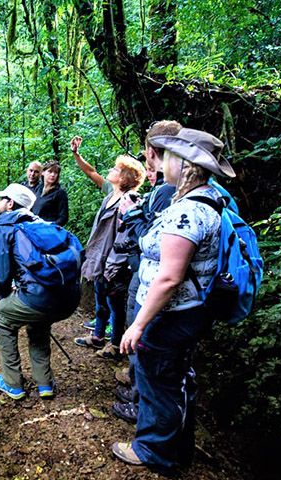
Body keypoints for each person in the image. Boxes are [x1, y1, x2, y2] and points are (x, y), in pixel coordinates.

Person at [111, 128, 236, 475]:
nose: (161, 162)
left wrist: (138, 324)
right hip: (186, 313)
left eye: (168, 157)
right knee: (175, 379)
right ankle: (178, 448)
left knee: (158, 382)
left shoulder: (189, 212)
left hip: (172, 315)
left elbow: (169, 277)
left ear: (185, 164)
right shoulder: (202, 200)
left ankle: (153, 452)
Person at [112, 120, 182, 424]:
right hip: (152, 281)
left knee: (150, 352)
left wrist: (132, 216)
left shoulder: (171, 192)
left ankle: (148, 424)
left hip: (159, 287)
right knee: (148, 353)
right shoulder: (173, 190)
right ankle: (139, 396)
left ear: (152, 152)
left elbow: (151, 242)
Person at [0, 183, 79, 400]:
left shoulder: (4, 226)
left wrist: (5, 296)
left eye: (2, 199)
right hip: (68, 297)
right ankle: (44, 383)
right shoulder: (40, 223)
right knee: (38, 324)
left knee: (0, 315)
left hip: (39, 298)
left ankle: (13, 384)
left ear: (10, 204)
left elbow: (1, 277)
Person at [70, 136, 146, 359]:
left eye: (115, 168)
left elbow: (126, 237)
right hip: (100, 259)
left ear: (124, 178)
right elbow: (90, 172)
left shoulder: (130, 200)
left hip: (115, 263)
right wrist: (76, 154)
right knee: (100, 299)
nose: (110, 170)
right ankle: (98, 336)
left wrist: (114, 265)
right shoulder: (111, 194)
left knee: (114, 303)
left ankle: (115, 345)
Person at [31, 161, 69, 225]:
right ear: (43, 172)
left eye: (56, 172)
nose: (53, 175)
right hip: (34, 228)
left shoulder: (60, 192)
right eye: (50, 172)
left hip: (49, 231)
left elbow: (63, 218)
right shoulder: (38, 188)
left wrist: (50, 226)